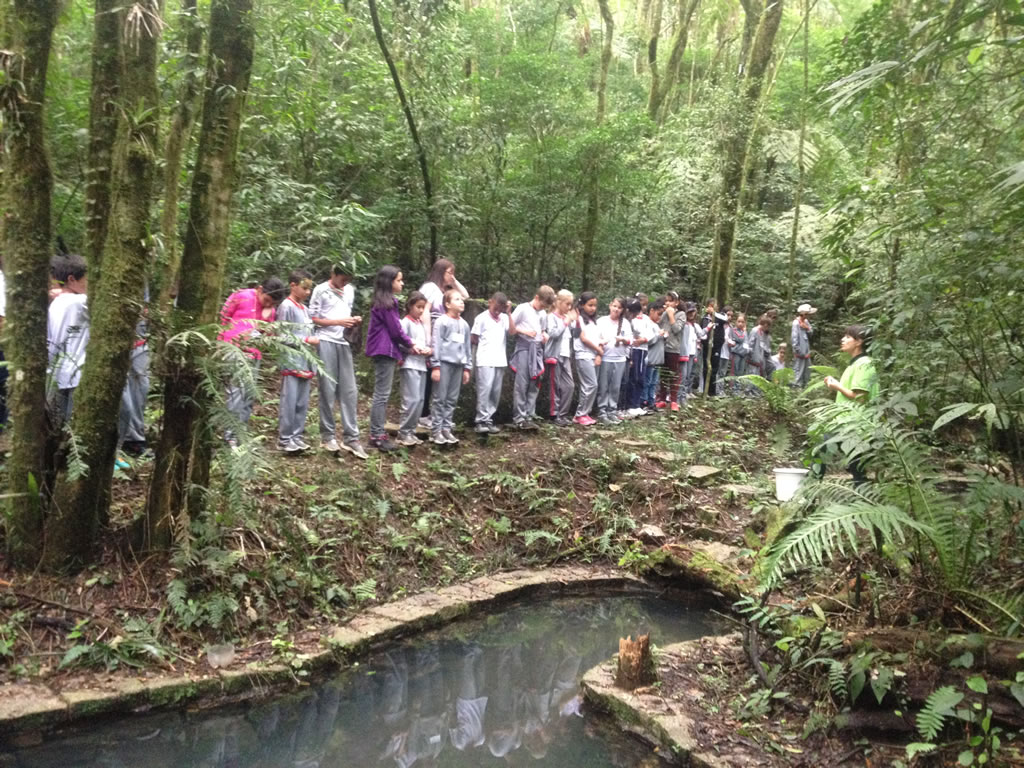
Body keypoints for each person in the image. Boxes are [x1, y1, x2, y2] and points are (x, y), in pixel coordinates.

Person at [366, 266, 430, 452]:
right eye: (399, 280)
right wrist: (411, 344)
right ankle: (377, 435)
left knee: (382, 394)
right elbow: (396, 330)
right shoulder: (387, 303)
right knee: (382, 395)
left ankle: (378, 433)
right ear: (389, 282)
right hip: (383, 350)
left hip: (386, 350)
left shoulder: (383, 302)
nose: (402, 283)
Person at [219, 276, 287, 446]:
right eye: (267, 300)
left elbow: (268, 335)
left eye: (273, 303)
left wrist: (267, 324)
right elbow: (223, 318)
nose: (269, 305)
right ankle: (230, 436)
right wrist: (220, 344)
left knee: (249, 394)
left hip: (254, 354)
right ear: (259, 289)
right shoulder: (241, 296)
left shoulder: (270, 311)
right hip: (234, 350)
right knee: (236, 393)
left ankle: (241, 433)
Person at [309, 263, 368, 459]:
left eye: (348, 280)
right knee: (327, 388)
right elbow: (313, 318)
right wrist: (337, 322)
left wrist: (352, 321)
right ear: (333, 274)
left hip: (343, 342)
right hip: (325, 341)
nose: (345, 283)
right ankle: (327, 436)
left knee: (350, 390)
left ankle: (352, 437)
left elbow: (345, 314)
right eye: (342, 279)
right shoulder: (320, 290)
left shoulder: (349, 291)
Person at [822, 325, 879, 483]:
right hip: (846, 422)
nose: (843, 339)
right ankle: (864, 497)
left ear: (859, 342)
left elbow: (859, 397)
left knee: (820, 451)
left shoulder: (865, 364)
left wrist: (836, 386)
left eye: (848, 337)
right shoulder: (854, 364)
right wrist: (837, 385)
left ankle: (806, 492)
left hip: (855, 424)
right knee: (856, 467)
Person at [418, 259, 470, 424]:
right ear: (441, 272)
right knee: (430, 374)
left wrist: (453, 280)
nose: (452, 276)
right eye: (449, 272)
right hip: (433, 332)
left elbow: (465, 296)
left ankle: (433, 416)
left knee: (434, 378)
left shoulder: (443, 291)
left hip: (443, 334)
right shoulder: (430, 288)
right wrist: (427, 337)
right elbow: (425, 310)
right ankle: (423, 414)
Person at [276, 270, 320, 452]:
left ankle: (297, 435)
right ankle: (285, 439)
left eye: (309, 289)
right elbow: (281, 336)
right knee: (290, 400)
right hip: (292, 360)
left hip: (306, 361)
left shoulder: (305, 309)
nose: (308, 292)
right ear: (293, 285)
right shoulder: (286, 306)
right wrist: (305, 340)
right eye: (304, 288)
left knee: (302, 402)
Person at [47, 253, 90, 425]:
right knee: (76, 427)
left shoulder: (56, 303)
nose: (88, 284)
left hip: (58, 374)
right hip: (78, 375)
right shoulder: (80, 303)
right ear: (72, 279)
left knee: (59, 428)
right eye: (86, 279)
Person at [430, 289, 473, 445]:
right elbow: (436, 344)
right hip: (444, 364)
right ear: (447, 304)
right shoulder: (442, 321)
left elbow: (467, 347)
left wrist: (467, 368)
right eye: (457, 299)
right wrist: (435, 366)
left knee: (451, 399)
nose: (461, 302)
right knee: (439, 398)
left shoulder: (465, 325)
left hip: (458, 365)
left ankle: (446, 429)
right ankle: (435, 431)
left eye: (462, 299)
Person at [510, 285, 555, 430]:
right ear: (536, 297)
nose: (543, 308)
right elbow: (510, 327)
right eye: (542, 305)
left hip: (537, 350)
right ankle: (519, 417)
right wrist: (524, 332)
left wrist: (544, 335)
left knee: (534, 383)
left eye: (545, 307)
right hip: (524, 349)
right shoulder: (523, 308)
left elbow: (542, 329)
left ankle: (530, 414)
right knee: (521, 384)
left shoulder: (542, 314)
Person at [471, 291, 516, 434]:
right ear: (490, 302)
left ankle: (489, 419)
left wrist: (508, 313)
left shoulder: (503, 318)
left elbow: (512, 332)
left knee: (495, 392)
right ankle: (480, 420)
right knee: (484, 390)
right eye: (495, 308)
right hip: (485, 359)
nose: (497, 311)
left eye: (500, 309)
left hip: (499, 360)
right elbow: (474, 338)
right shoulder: (481, 318)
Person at [397, 291, 431, 447]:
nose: (421, 310)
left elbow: (424, 343)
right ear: (410, 306)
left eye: (423, 308)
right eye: (418, 307)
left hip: (422, 364)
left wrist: (428, 351)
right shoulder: (405, 322)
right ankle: (403, 432)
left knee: (420, 400)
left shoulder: (420, 324)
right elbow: (399, 342)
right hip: (410, 363)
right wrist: (411, 350)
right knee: (411, 399)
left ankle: (411, 431)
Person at [595, 297, 631, 425]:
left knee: (615, 386)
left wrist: (622, 340)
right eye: (614, 306)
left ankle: (612, 410)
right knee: (603, 385)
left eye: (619, 307)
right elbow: (596, 338)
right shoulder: (601, 321)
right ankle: (602, 411)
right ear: (610, 306)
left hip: (620, 358)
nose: (616, 309)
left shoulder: (625, 323)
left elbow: (630, 341)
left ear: (622, 310)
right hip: (605, 357)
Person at [543, 289, 575, 427]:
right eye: (567, 304)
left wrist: (573, 321)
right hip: (554, 355)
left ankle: (563, 413)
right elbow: (554, 334)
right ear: (558, 303)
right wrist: (566, 322)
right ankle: (554, 414)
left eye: (570, 305)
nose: (569, 308)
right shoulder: (551, 317)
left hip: (565, 355)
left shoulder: (566, 318)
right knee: (554, 386)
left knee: (569, 385)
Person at [572, 292, 602, 426]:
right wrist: (598, 349)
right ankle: (580, 414)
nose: (592, 308)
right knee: (590, 384)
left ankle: (585, 413)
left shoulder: (593, 322)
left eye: (595, 305)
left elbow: (597, 338)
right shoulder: (578, 320)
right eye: (590, 305)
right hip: (583, 355)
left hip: (592, 355)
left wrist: (598, 353)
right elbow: (583, 339)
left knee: (591, 385)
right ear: (582, 305)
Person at [623, 297, 653, 417]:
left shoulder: (645, 319)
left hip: (642, 349)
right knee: (633, 378)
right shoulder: (628, 320)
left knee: (640, 377)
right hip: (633, 349)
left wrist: (644, 339)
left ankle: (636, 404)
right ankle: (630, 405)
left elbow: (650, 333)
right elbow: (633, 331)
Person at [656, 291, 684, 408]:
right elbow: (658, 326)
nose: (668, 303)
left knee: (673, 375)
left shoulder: (681, 314)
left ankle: (673, 401)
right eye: (666, 300)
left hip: (673, 348)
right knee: (663, 374)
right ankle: (662, 399)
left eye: (670, 300)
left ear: (676, 303)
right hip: (662, 347)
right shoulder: (664, 314)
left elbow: (677, 329)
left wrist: (671, 315)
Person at [678, 302, 707, 408]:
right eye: (689, 312)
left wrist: (708, 328)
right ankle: (679, 398)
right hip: (684, 353)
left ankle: (683, 397)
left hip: (691, 353)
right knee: (682, 376)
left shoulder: (694, 325)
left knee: (688, 375)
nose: (691, 314)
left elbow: (701, 335)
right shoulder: (684, 324)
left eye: (693, 311)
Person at [643, 299, 666, 410]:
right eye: (658, 314)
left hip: (657, 359)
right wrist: (658, 335)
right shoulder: (647, 323)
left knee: (654, 382)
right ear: (651, 311)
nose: (659, 317)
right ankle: (645, 401)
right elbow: (649, 341)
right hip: (650, 358)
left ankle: (651, 401)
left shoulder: (655, 325)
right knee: (647, 381)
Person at [791, 303, 816, 388]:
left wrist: (807, 328)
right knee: (798, 371)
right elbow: (794, 339)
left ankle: (805, 388)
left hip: (806, 352)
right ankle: (796, 389)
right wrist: (798, 351)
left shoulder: (806, 322)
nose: (810, 316)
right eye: (808, 314)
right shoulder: (796, 323)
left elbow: (811, 333)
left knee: (807, 371)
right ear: (804, 314)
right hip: (800, 353)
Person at [746, 313, 774, 379]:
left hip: (759, 361)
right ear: (765, 325)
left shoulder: (763, 333)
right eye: (767, 326)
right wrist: (751, 357)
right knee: (751, 378)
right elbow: (750, 345)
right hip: (753, 360)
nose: (767, 328)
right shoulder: (755, 331)